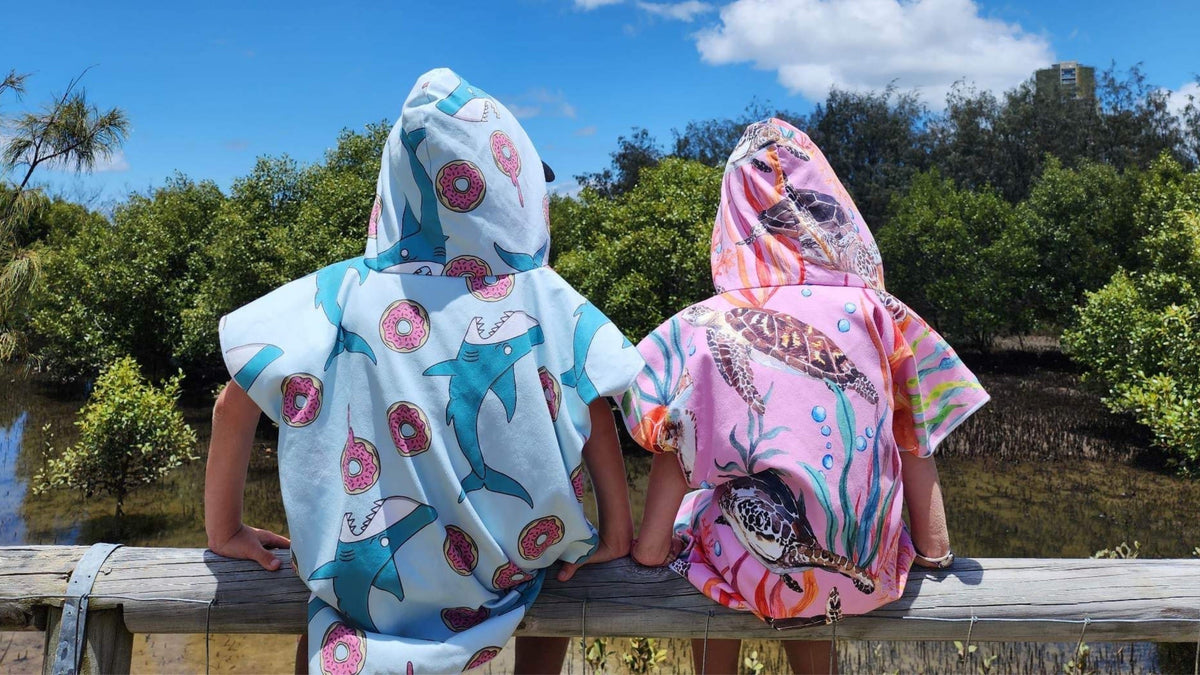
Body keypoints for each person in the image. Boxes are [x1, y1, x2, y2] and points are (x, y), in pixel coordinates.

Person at [205, 67, 643, 674]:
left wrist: (225, 531)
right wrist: (617, 531)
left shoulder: (339, 293)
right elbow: (598, 400)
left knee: (333, 619)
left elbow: (233, 404)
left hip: (371, 599)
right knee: (557, 564)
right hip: (509, 570)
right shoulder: (543, 296)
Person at [620, 119, 989, 674]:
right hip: (867, 566)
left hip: (751, 564)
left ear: (736, 216)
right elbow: (914, 441)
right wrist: (934, 549)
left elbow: (678, 449)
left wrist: (650, 552)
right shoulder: (876, 312)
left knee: (696, 517)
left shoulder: (708, 323)